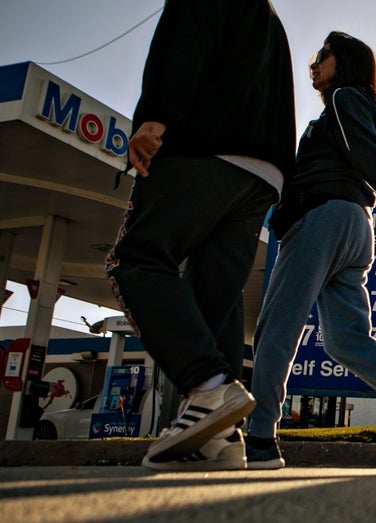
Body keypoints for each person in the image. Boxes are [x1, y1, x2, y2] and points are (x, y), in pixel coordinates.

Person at [247, 31, 376, 473]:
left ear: (345, 63)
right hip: (353, 226)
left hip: (322, 217)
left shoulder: (344, 99)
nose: (315, 62)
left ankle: (260, 442)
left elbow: (364, 149)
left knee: (277, 329)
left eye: (324, 55)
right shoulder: (349, 106)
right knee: (347, 339)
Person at [105, 0, 295, 471]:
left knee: (138, 259)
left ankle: (210, 389)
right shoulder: (268, 17)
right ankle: (222, 438)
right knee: (215, 296)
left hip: (203, 151)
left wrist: (155, 115)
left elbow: (184, 46)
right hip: (262, 173)